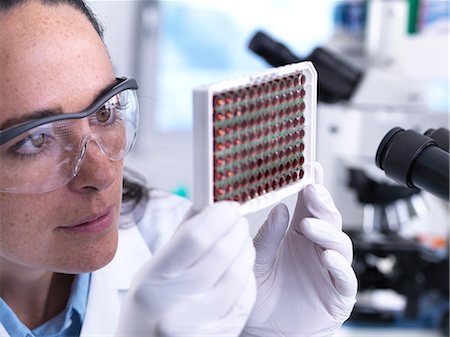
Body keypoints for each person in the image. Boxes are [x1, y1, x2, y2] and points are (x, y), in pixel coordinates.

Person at [0, 1, 357, 336]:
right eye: (36, 140)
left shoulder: (174, 240)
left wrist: (265, 333)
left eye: (105, 112)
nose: (103, 175)